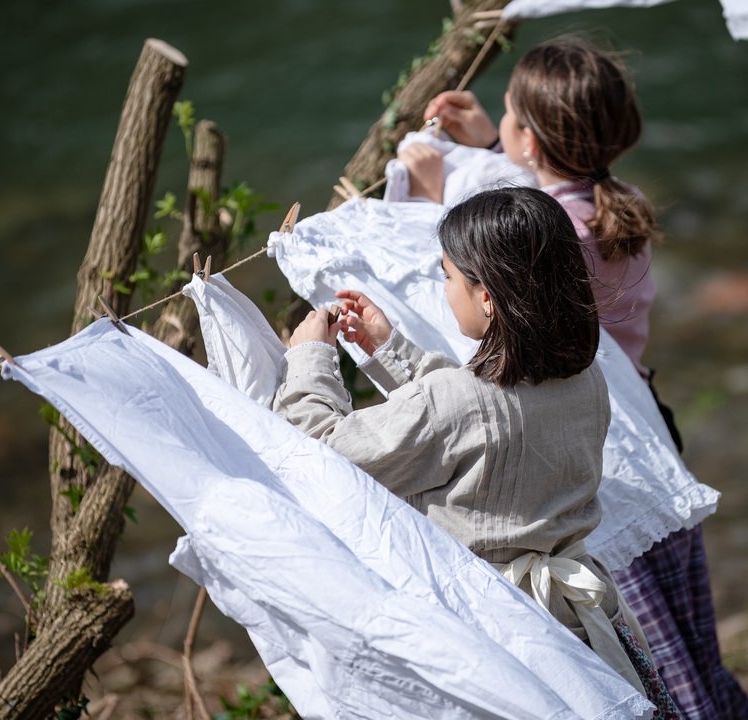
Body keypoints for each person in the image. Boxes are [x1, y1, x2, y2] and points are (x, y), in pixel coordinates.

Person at [407, 43, 748, 720]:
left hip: (592, 452)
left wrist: (433, 200)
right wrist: (495, 142)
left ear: (531, 142)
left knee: (636, 628)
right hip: (647, 427)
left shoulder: (551, 232)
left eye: (509, 114)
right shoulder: (618, 203)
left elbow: (489, 280)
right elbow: (542, 200)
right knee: (682, 628)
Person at [274, 187, 682, 719]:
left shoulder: (455, 403)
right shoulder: (586, 378)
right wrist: (392, 349)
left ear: (486, 297)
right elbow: (479, 418)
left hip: (494, 626)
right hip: (581, 619)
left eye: (447, 276)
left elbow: (320, 451)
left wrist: (309, 358)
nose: (445, 289)